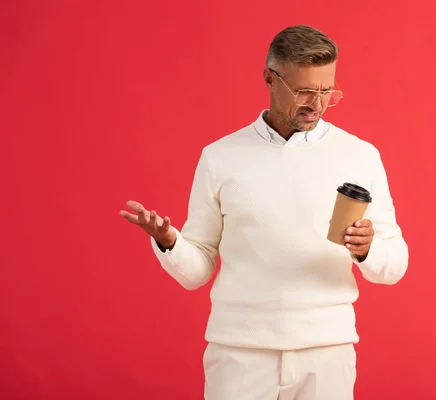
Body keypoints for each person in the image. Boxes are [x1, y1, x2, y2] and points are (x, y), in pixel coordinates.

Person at [120, 24, 409, 400]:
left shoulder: (360, 155)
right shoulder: (220, 157)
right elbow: (197, 270)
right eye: (305, 91)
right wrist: (169, 241)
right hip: (239, 354)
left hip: (326, 352)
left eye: (327, 92)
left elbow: (396, 263)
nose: (317, 105)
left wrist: (368, 249)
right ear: (270, 79)